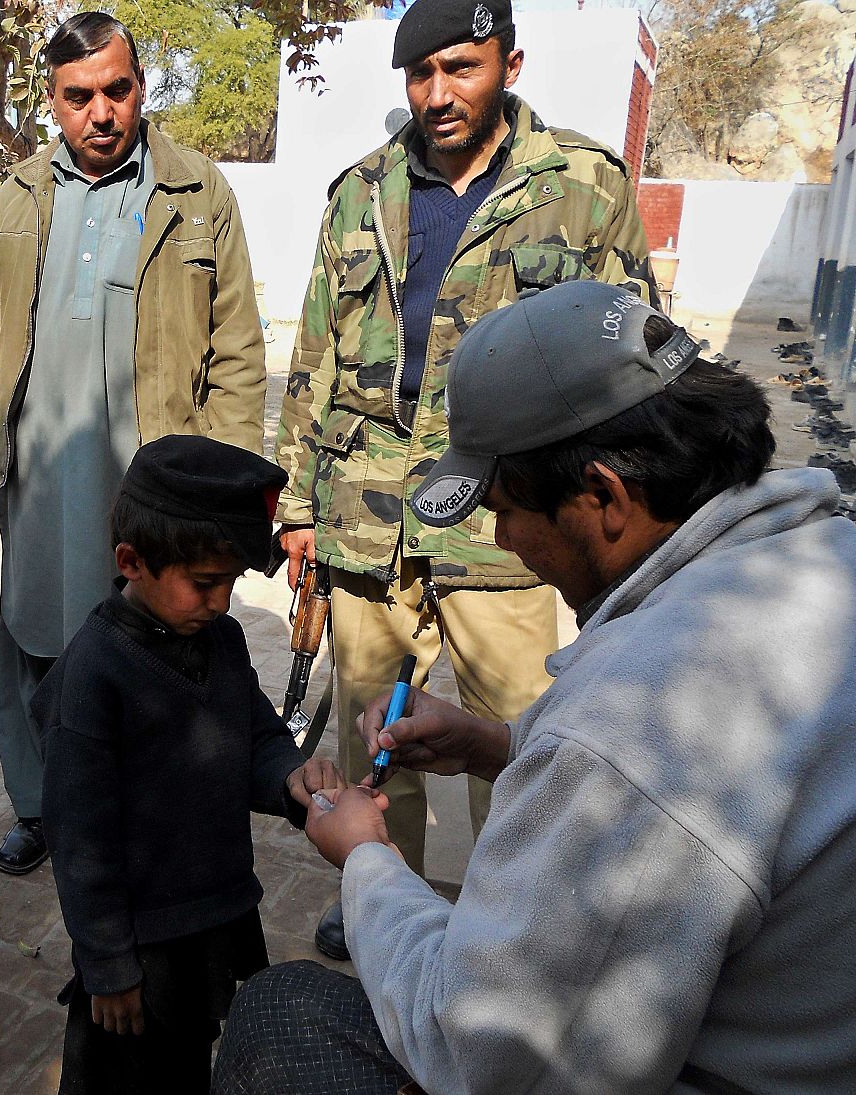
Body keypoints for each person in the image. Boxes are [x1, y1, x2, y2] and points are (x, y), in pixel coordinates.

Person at [214, 281, 856, 1093]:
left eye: (505, 509)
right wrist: (500, 745)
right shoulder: (823, 554)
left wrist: (367, 861)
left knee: (280, 1015)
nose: (504, 539)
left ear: (604, 497)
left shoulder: (642, 723)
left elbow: (481, 1053)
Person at [271, 0, 657, 959]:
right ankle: (377, 895)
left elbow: (629, 356)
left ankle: (507, 931)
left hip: (509, 524)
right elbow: (315, 353)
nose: (438, 93)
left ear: (509, 65)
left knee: (520, 746)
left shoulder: (584, 186)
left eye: (461, 68)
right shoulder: (360, 192)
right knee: (376, 740)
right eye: (420, 74)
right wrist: (297, 502)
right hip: (368, 517)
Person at [0, 10, 267, 875]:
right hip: (43, 467)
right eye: (78, 96)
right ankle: (41, 804)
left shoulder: (198, 192)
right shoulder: (17, 199)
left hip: (154, 475)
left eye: (117, 90)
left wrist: (230, 482)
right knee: (36, 638)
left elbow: (238, 349)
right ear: (51, 101)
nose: (101, 112)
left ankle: (151, 804)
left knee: (159, 640)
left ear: (141, 87)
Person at [37, 435, 326, 1094]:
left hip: (210, 919)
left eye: (230, 582)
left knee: (186, 1064)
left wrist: (292, 777)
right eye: (204, 583)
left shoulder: (221, 639)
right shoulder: (94, 675)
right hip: (139, 942)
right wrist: (108, 964)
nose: (221, 601)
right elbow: (80, 841)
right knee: (120, 1076)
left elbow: (257, 735)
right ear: (131, 561)